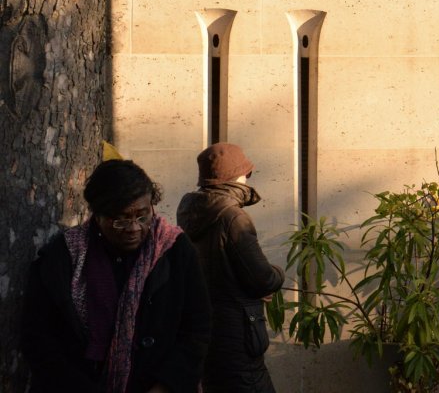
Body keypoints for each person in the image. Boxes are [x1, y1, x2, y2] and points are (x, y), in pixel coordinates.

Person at [21, 158, 210, 393]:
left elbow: (197, 327)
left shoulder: (176, 250)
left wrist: (166, 385)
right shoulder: (62, 257)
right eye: (120, 220)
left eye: (142, 216)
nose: (133, 228)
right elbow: (37, 337)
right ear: (97, 215)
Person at [177, 143, 284, 392]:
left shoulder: (190, 213)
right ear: (236, 176)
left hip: (206, 332)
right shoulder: (232, 217)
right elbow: (262, 280)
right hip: (237, 335)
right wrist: (278, 274)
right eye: (246, 173)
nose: (247, 179)